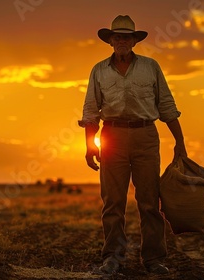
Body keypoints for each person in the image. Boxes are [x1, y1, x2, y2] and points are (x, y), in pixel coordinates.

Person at [78, 15, 187, 275]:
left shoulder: (151, 67)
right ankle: (112, 258)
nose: (122, 41)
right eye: (118, 36)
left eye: (127, 36)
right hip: (111, 137)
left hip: (145, 136)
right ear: (111, 40)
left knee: (149, 201)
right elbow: (91, 110)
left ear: (134, 41)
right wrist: (90, 146)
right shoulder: (99, 70)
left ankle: (153, 259)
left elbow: (167, 105)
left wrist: (180, 143)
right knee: (112, 202)